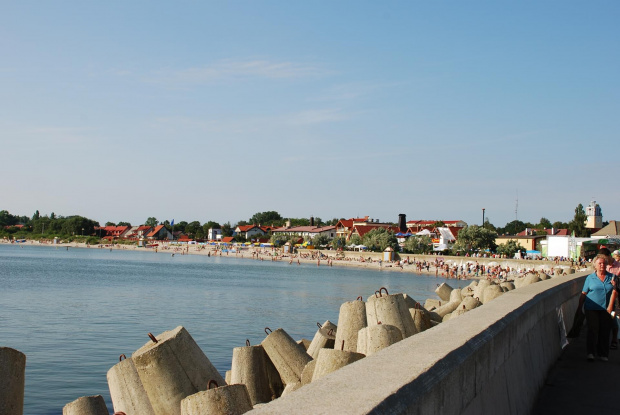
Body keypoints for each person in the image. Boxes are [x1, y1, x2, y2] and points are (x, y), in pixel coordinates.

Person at [577, 254, 617, 361]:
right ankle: (591, 353)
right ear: (595, 265)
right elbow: (584, 294)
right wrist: (579, 308)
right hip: (591, 308)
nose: (602, 265)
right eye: (600, 263)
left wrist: (614, 286)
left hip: (607, 309)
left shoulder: (612, 277)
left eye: (604, 263)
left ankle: (603, 354)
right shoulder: (590, 278)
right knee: (593, 330)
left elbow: (616, 292)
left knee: (605, 331)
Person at [608, 250, 620, 348]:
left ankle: (615, 339)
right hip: (606, 293)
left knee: (614, 314)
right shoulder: (605, 266)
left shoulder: (618, 265)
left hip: (616, 292)